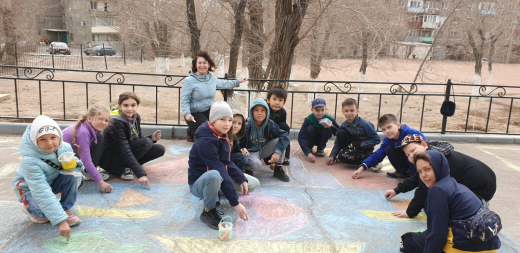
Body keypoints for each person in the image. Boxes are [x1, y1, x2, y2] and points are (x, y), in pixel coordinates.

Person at [399, 150, 501, 253]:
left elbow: (438, 234)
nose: (423, 175)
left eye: (427, 169)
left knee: (408, 241)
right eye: (420, 171)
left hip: (467, 248)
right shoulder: (453, 183)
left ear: (439, 167)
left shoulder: (438, 190)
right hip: (490, 245)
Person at [385, 134, 497, 218]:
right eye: (408, 155)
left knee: (431, 207)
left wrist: (410, 212)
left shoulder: (435, 161)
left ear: (424, 145)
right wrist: (397, 190)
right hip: (479, 185)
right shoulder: (434, 155)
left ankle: (476, 208)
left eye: (413, 150)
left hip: (480, 190)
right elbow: (416, 178)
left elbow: (423, 189)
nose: (411, 156)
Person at [188, 101, 259, 230]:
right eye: (222, 119)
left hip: (216, 177)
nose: (227, 124)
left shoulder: (222, 136)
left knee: (252, 183)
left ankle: (217, 192)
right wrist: (235, 203)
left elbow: (226, 162)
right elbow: (219, 169)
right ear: (213, 120)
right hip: (199, 184)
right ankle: (208, 211)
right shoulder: (206, 141)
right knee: (214, 175)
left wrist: (240, 178)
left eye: (229, 120)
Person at [13, 115, 81, 242]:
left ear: (59, 136)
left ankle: (65, 209)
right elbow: (41, 191)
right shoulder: (30, 161)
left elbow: (72, 159)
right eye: (42, 139)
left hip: (52, 182)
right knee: (43, 217)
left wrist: (76, 164)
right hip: (31, 190)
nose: (49, 143)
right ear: (34, 140)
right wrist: (60, 221)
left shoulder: (63, 146)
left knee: (73, 175)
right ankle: (29, 207)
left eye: (53, 137)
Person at [99, 92, 165, 188]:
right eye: (125, 105)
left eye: (133, 105)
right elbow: (124, 149)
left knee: (159, 149)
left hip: (121, 154)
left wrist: (151, 138)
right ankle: (121, 169)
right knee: (146, 142)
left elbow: (137, 140)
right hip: (110, 160)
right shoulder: (115, 121)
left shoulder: (135, 117)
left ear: (137, 105)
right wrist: (140, 174)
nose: (129, 109)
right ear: (120, 106)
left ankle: (128, 166)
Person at [181, 51, 247, 142]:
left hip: (210, 108)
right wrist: (187, 113)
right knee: (208, 129)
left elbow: (223, 84)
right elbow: (185, 99)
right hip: (195, 112)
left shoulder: (211, 77)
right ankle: (192, 132)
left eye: (204, 63)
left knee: (221, 121)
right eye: (199, 63)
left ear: (208, 65)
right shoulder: (189, 81)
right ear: (195, 65)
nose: (202, 65)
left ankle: (226, 142)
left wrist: (237, 82)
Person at [352, 114, 427, 179]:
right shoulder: (388, 139)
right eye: (383, 129)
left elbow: (427, 149)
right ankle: (403, 172)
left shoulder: (413, 133)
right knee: (387, 148)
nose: (387, 131)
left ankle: (415, 176)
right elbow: (378, 154)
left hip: (421, 164)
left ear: (398, 125)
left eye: (389, 127)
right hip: (407, 163)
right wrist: (361, 168)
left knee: (412, 153)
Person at [63, 105, 113, 193]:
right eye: (100, 119)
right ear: (89, 118)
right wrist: (101, 182)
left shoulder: (94, 128)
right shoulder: (83, 132)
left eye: (106, 120)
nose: (104, 122)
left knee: (100, 137)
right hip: (61, 158)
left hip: (71, 155)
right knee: (75, 182)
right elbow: (86, 160)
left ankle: (89, 172)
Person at [239, 98, 291, 181]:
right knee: (256, 165)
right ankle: (248, 169)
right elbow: (238, 140)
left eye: (263, 110)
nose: (260, 113)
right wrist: (241, 148)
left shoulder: (270, 124)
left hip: (263, 149)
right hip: (250, 152)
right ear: (251, 112)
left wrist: (278, 152)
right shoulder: (246, 126)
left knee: (280, 140)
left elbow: (285, 136)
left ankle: (278, 169)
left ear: (267, 112)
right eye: (256, 110)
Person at [326, 98, 381, 168]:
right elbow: (338, 143)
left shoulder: (365, 124)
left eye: (352, 110)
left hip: (364, 149)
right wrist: (332, 156)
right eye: (346, 111)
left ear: (357, 111)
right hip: (352, 147)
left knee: (343, 157)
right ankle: (365, 159)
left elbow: (377, 139)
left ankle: (372, 160)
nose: (349, 113)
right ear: (342, 112)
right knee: (340, 134)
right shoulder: (344, 125)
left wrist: (362, 144)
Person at [298, 98, 340, 163]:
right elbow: (301, 136)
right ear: (312, 110)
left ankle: (320, 148)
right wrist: (307, 152)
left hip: (322, 138)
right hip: (311, 138)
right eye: (317, 110)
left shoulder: (329, 118)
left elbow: (339, 132)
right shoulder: (309, 119)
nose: (320, 113)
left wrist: (332, 126)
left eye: (322, 110)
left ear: (326, 109)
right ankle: (310, 147)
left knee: (327, 130)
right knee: (310, 128)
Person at [266, 88, 291, 165]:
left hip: (276, 132)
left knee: (285, 128)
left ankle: (285, 155)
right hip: (265, 134)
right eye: (274, 99)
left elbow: (284, 133)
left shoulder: (283, 112)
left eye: (280, 100)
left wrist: (287, 154)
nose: (277, 102)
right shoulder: (264, 110)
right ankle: (267, 157)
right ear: (268, 100)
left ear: (284, 103)